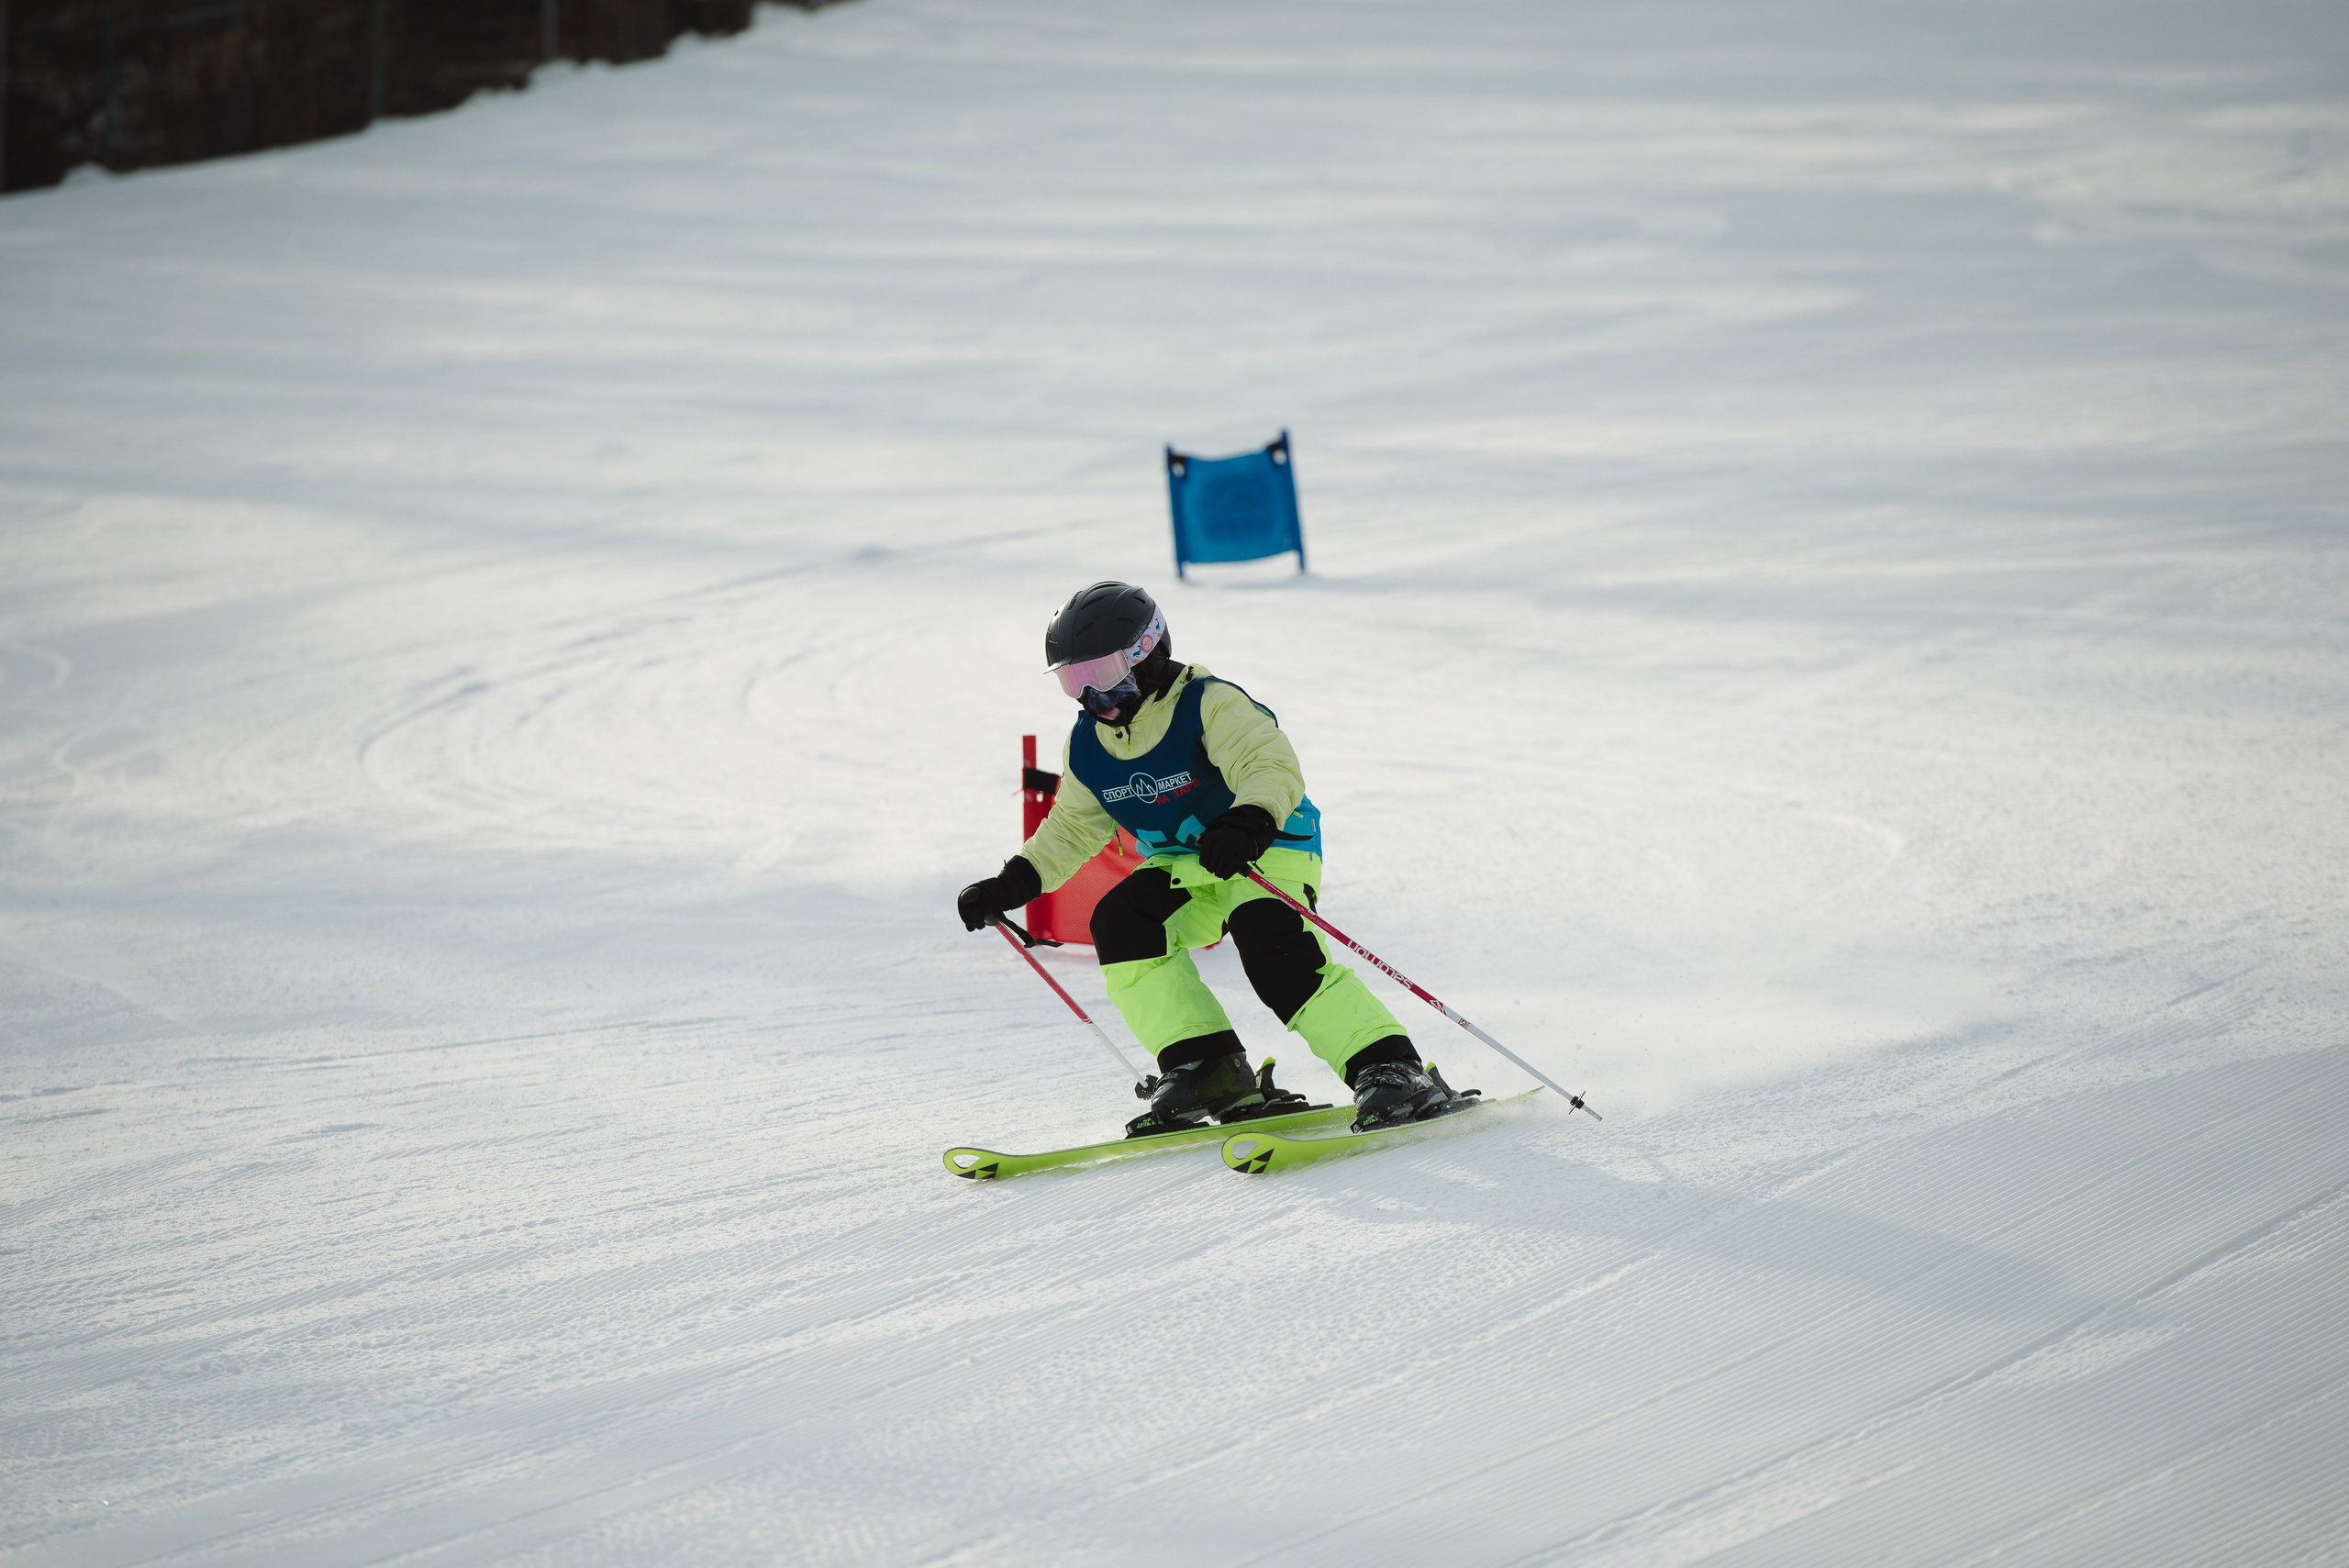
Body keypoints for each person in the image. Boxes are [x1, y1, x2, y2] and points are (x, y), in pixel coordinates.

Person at [957, 580, 1462, 1136]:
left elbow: (1269, 766)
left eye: (1099, 675)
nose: (1090, 697)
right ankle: (1206, 1064)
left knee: (1270, 943)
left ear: (1148, 653)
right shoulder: (1089, 745)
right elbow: (1073, 828)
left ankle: (1387, 1066)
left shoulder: (1209, 703)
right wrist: (1010, 886)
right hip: (1181, 865)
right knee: (1120, 921)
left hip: (1267, 847)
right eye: (1072, 681)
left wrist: (1247, 822)